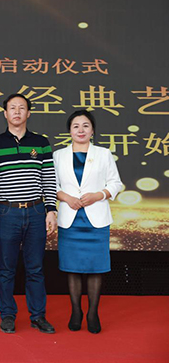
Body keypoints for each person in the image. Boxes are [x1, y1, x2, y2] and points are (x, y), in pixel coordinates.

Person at [0, 93, 58, 334]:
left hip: (36, 211)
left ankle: (38, 316)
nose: (17, 112)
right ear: (5, 113)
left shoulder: (41, 142)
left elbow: (48, 178)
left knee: (35, 268)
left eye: (21, 108)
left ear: (29, 113)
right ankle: (7, 315)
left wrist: (51, 210)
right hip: (7, 212)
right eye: (12, 108)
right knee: (6, 268)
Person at [53, 110, 122, 334]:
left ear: (92, 131)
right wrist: (67, 198)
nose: (80, 130)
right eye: (76, 126)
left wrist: (98, 195)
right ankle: (76, 311)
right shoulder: (58, 155)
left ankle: (93, 313)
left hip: (96, 219)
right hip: (70, 219)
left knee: (95, 268)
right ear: (69, 131)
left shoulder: (103, 153)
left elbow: (116, 184)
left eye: (85, 126)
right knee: (72, 268)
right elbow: (52, 185)